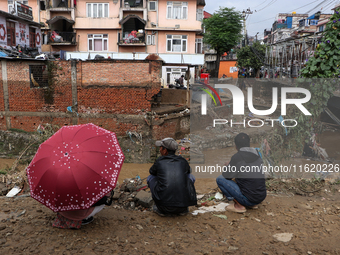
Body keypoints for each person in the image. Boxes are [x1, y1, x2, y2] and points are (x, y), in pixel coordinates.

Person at [216, 133, 266, 213]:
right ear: (249, 144)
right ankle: (253, 205)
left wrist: (229, 165)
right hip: (261, 196)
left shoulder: (237, 157)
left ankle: (239, 205)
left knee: (220, 179)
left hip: (249, 199)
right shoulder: (257, 153)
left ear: (236, 146)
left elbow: (227, 176)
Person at [147, 138, 197, 216]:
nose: (159, 149)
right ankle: (184, 203)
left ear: (165, 150)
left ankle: (158, 205)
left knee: (150, 178)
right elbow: (189, 171)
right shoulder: (183, 161)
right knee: (191, 177)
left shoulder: (159, 161)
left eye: (160, 147)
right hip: (182, 207)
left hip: (163, 208)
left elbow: (152, 172)